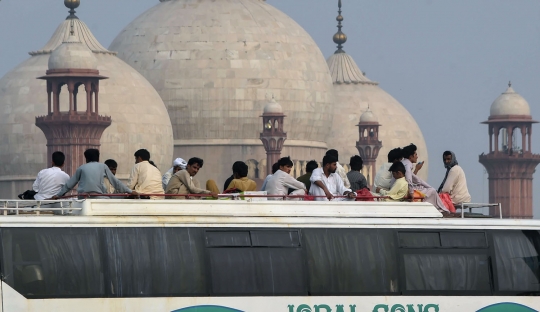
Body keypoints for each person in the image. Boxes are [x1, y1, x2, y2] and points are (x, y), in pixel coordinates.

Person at [53, 149, 136, 199]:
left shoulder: (82, 167)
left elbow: (69, 185)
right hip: (99, 197)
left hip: (83, 198)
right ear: (98, 158)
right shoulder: (103, 166)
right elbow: (115, 182)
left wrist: (57, 195)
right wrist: (130, 191)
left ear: (86, 158)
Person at [401, 144, 449, 212]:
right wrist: (411, 193)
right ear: (411, 156)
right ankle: (441, 209)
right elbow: (409, 180)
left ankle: (441, 209)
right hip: (406, 191)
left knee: (431, 190)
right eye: (416, 155)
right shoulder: (408, 165)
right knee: (432, 191)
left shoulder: (404, 163)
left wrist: (417, 170)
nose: (417, 157)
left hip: (406, 188)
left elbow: (417, 180)